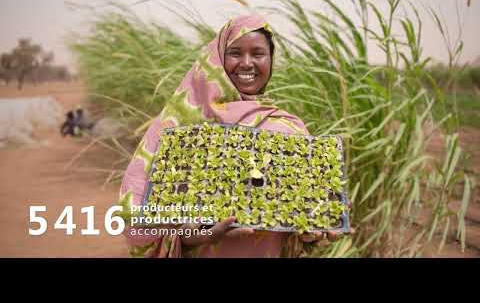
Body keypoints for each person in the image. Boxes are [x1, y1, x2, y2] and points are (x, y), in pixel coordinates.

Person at [119, 15, 351, 258]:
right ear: (218, 58)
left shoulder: (290, 131)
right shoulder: (178, 124)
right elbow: (132, 220)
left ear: (271, 60)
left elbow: (299, 227)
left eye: (258, 53)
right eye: (236, 53)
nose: (247, 63)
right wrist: (189, 236)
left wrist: (314, 229)